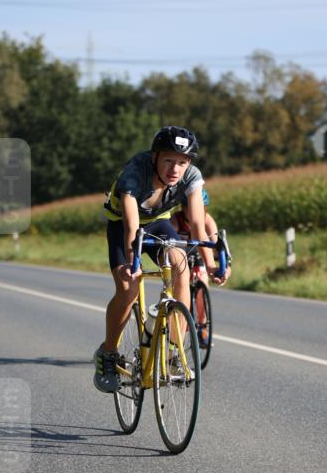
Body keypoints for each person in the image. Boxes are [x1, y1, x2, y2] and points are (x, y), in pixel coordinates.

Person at [93, 126, 230, 393]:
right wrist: (132, 262)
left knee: (181, 265)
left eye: (182, 162)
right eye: (168, 160)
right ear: (155, 156)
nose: (175, 169)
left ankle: (173, 353)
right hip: (123, 225)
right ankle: (108, 353)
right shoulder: (136, 171)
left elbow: (197, 225)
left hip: (158, 224)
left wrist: (211, 264)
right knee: (128, 288)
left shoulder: (192, 177)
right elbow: (131, 226)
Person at [171, 189, 231, 345]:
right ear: (183, 208)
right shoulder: (176, 219)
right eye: (189, 207)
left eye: (200, 208)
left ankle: (202, 325)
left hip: (200, 256)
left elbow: (218, 246)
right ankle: (180, 322)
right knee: (180, 284)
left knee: (203, 281)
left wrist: (225, 265)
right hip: (181, 256)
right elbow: (169, 245)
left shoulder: (208, 221)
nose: (194, 211)